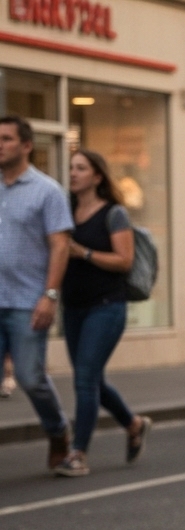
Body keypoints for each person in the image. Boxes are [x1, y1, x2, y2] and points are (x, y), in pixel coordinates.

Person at [55, 149, 151, 477]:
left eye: (81, 168)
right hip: (74, 307)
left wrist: (83, 252)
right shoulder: (64, 210)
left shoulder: (114, 214)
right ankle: (134, 423)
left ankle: (77, 453)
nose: (73, 173)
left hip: (107, 307)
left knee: (84, 378)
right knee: (92, 378)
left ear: (97, 176)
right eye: (71, 168)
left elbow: (123, 261)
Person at [0, 114, 73, 470]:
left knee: (30, 378)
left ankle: (58, 430)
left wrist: (50, 295)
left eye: (6, 139)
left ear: (26, 146)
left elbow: (60, 246)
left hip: (28, 302)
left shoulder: (48, 191)